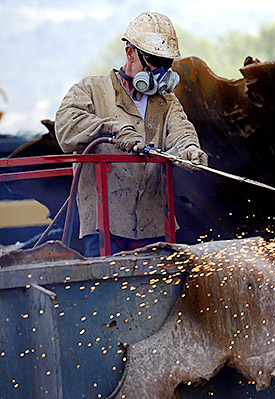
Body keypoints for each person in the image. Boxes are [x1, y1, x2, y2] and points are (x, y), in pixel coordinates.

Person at [55, 12, 208, 257]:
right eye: (153, 60)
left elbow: (181, 133)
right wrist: (112, 128)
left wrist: (190, 151)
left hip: (155, 225)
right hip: (105, 226)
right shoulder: (90, 90)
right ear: (130, 53)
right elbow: (65, 130)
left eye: (166, 63)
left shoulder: (166, 102)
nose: (159, 70)